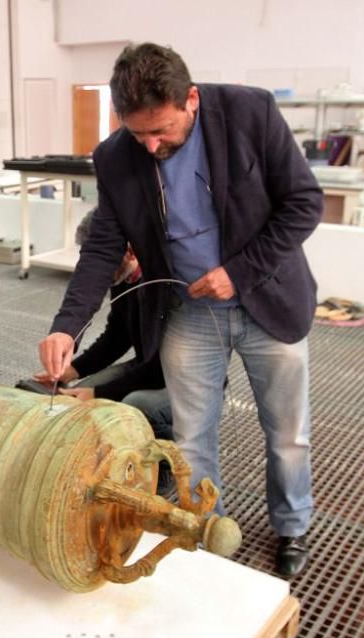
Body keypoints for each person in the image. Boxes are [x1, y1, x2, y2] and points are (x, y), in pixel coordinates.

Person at [37, 43, 322, 578]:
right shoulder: (116, 156)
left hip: (268, 301)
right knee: (191, 436)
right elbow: (102, 249)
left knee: (287, 432)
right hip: (191, 311)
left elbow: (304, 203)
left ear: (190, 98)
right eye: (137, 132)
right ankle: (201, 526)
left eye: (161, 131)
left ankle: (290, 527)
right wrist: (65, 328)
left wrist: (238, 271)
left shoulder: (250, 114)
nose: (149, 145)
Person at [33, 210, 172, 443]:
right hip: (146, 365)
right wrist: (72, 370)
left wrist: (100, 394)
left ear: (128, 251)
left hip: (179, 376)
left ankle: (173, 462)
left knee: (136, 406)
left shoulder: (162, 284)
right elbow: (116, 338)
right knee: (79, 395)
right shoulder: (123, 278)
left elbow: (160, 367)